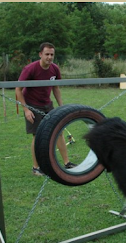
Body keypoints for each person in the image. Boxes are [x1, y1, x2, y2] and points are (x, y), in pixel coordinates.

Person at [15, 42, 76, 176]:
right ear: (40, 54)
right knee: (38, 135)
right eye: (47, 54)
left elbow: (56, 87)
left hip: (47, 104)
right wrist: (26, 110)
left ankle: (67, 163)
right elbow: (18, 89)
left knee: (58, 131)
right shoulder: (30, 69)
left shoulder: (54, 69)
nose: (49, 57)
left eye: (52, 54)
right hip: (32, 105)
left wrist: (61, 106)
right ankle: (36, 168)